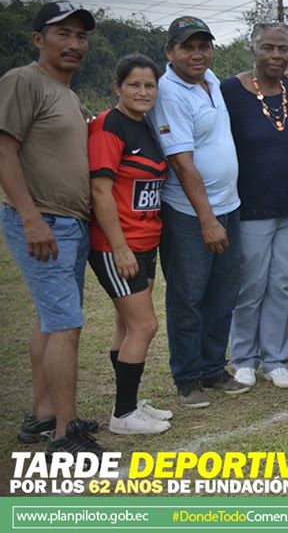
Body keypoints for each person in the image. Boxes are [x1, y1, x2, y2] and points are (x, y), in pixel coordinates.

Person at [0, 1, 102, 454]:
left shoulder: (66, 92)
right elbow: (4, 150)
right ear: (38, 39)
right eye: (63, 34)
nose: (74, 43)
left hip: (69, 221)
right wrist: (30, 217)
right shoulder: (23, 80)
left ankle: (42, 414)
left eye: (80, 36)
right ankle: (65, 433)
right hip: (44, 220)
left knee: (50, 318)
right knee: (66, 325)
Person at [149, 16, 249, 408]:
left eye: (203, 46)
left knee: (224, 293)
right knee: (188, 296)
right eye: (187, 47)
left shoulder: (211, 81)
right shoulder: (168, 92)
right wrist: (207, 219)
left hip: (229, 206)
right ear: (169, 51)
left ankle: (212, 368)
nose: (197, 54)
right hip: (190, 215)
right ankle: (188, 378)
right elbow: (181, 162)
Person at [87, 54, 172, 435]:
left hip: (145, 241)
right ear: (117, 87)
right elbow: (100, 191)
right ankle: (123, 415)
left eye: (149, 85)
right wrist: (119, 247)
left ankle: (130, 401)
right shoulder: (108, 126)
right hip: (116, 245)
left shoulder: (146, 125)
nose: (142, 92)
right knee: (144, 325)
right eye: (134, 84)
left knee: (127, 324)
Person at [222, 22, 288, 389]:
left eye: (282, 49)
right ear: (253, 49)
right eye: (268, 48)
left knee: (283, 284)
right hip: (251, 208)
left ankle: (276, 359)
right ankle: (244, 358)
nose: (276, 55)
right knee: (251, 284)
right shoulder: (229, 90)